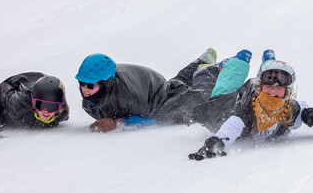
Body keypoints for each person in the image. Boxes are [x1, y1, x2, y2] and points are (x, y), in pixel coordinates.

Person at [189, 52, 313, 160]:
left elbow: (300, 108)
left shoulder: (287, 109)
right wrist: (218, 142)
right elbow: (234, 125)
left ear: (287, 91)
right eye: (269, 81)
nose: (273, 89)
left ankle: (268, 62)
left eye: (280, 86)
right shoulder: (246, 109)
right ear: (261, 85)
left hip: (250, 93)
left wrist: (310, 114)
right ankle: (222, 66)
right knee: (220, 92)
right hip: (224, 108)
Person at [75, 49, 224, 133]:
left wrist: (118, 123)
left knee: (197, 103)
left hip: (155, 97)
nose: (84, 90)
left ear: (105, 83)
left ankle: (207, 71)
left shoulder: (128, 97)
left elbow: (151, 120)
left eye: (90, 85)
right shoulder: (92, 99)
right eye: (82, 83)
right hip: (148, 86)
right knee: (174, 86)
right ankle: (200, 62)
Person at [0, 73, 69, 138]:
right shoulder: (20, 103)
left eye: (51, 107)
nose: (45, 111)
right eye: (40, 105)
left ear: (60, 107)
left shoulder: (62, 114)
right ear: (33, 102)